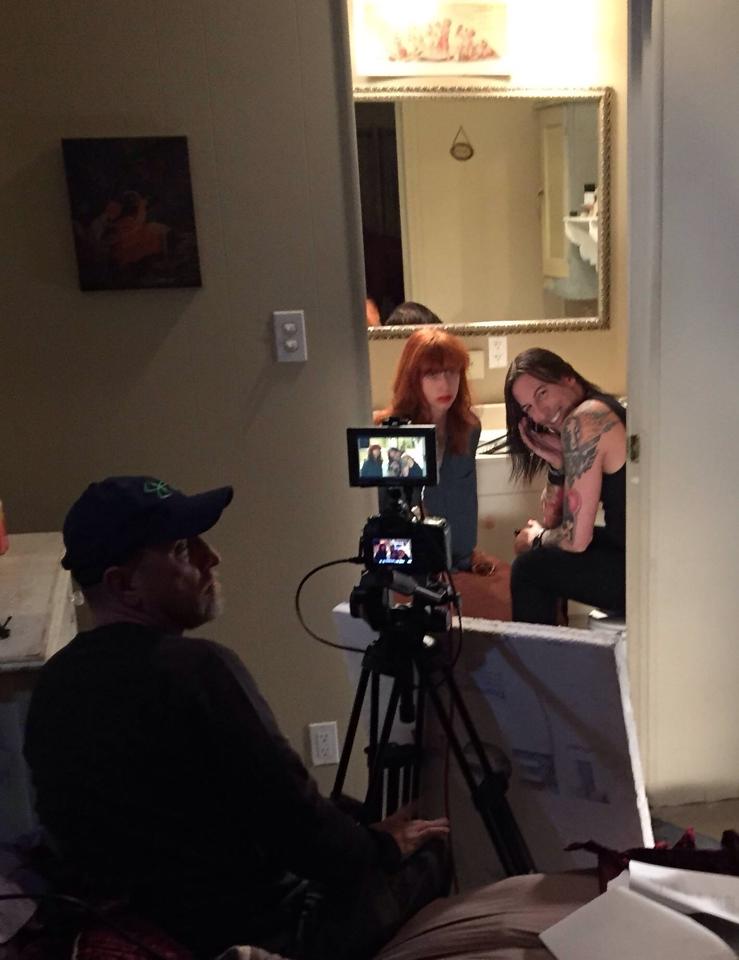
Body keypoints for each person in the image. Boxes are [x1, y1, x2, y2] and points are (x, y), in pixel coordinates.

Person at [23, 476, 450, 960]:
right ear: (124, 585)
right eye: (182, 549)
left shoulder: (53, 683)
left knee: (348, 816)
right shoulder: (197, 670)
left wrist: (356, 832)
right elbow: (303, 834)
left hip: (134, 918)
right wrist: (384, 847)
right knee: (430, 850)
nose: (212, 557)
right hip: (255, 931)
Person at [504, 348, 627, 625]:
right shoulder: (601, 408)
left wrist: (535, 539)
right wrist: (558, 465)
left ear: (568, 378)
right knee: (543, 555)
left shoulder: (585, 420)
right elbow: (555, 522)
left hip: (640, 570)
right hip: (639, 553)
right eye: (528, 408)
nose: (541, 413)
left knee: (528, 569)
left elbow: (575, 541)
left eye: (542, 393)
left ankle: (539, 655)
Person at [376, 329, 490, 576]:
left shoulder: (469, 428)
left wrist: (464, 557)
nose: (445, 384)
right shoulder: (391, 434)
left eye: (452, 372)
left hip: (457, 558)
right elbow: (386, 513)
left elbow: (464, 502)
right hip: (404, 562)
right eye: (432, 374)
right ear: (413, 379)